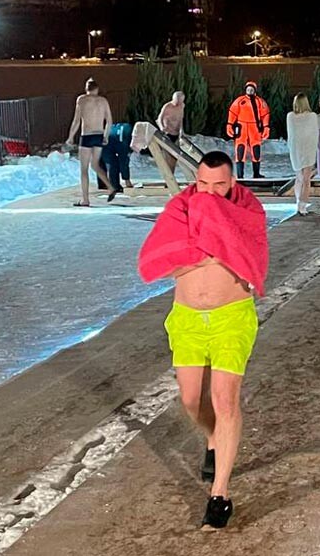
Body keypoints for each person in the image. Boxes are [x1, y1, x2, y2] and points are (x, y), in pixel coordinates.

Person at [137, 150, 268, 531]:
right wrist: (213, 255)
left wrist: (208, 252)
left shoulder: (248, 210)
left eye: (219, 186)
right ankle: (213, 438)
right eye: (204, 185)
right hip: (188, 320)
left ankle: (220, 493)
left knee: (224, 399)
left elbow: (248, 256)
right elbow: (163, 260)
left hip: (232, 318)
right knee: (192, 401)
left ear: (232, 184)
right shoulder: (180, 209)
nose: (210, 194)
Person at [65, 77, 114, 207]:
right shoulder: (103, 101)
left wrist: (70, 137)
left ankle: (85, 199)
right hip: (98, 135)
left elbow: (76, 121)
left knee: (84, 169)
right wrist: (106, 135)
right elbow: (109, 121)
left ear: (86, 89)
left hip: (86, 136)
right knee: (96, 165)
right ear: (97, 89)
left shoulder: (81, 100)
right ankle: (110, 187)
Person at [226, 81, 271, 179]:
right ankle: (240, 175)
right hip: (241, 128)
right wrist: (229, 125)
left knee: (256, 150)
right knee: (240, 150)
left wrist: (266, 127)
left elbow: (265, 115)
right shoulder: (239, 101)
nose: (249, 91)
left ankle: (256, 173)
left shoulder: (260, 102)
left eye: (251, 89)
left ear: (255, 90)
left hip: (254, 128)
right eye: (248, 89)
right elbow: (232, 113)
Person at [286, 94, 319, 216]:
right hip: (309, 149)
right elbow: (315, 133)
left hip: (296, 150)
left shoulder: (290, 117)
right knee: (306, 179)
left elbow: (291, 135)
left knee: (299, 178)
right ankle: (302, 205)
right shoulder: (312, 116)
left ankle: (298, 202)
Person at [100, 121, 133, 198]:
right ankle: (114, 186)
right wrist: (127, 180)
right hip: (107, 143)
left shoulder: (127, 126)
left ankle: (113, 185)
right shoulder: (126, 140)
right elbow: (123, 162)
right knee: (115, 164)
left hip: (104, 140)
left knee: (111, 164)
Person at [157, 91, 186, 175]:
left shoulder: (182, 106)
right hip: (167, 133)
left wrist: (181, 131)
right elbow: (159, 118)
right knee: (167, 157)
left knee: (175, 157)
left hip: (176, 134)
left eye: (180, 101)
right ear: (173, 99)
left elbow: (181, 119)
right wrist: (162, 128)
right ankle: (168, 176)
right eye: (176, 101)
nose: (178, 104)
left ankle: (171, 176)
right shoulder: (167, 106)